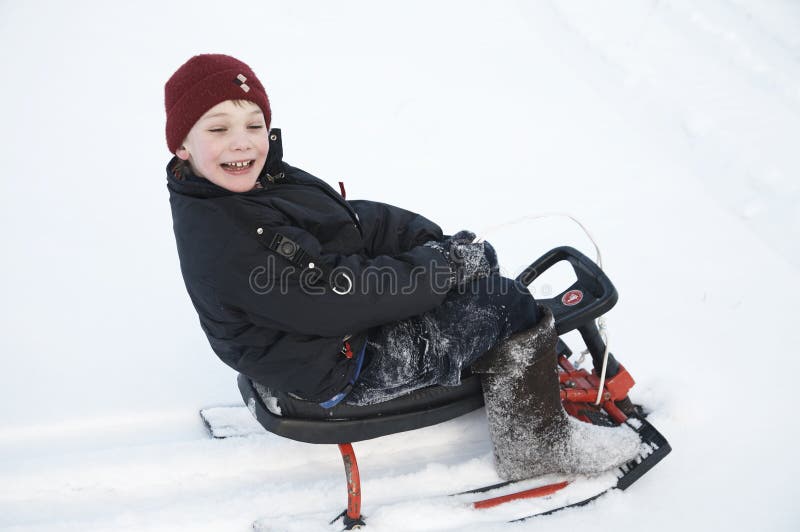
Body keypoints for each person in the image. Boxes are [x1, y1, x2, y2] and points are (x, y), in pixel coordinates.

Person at [164, 54, 640, 481]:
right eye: (218, 128)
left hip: (309, 342)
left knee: (472, 281)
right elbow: (335, 297)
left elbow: (347, 223)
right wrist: (444, 268)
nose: (242, 143)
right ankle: (539, 447)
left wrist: (429, 242)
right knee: (504, 304)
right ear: (182, 145)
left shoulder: (249, 186)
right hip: (338, 364)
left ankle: (498, 356)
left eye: (253, 124)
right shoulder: (230, 236)